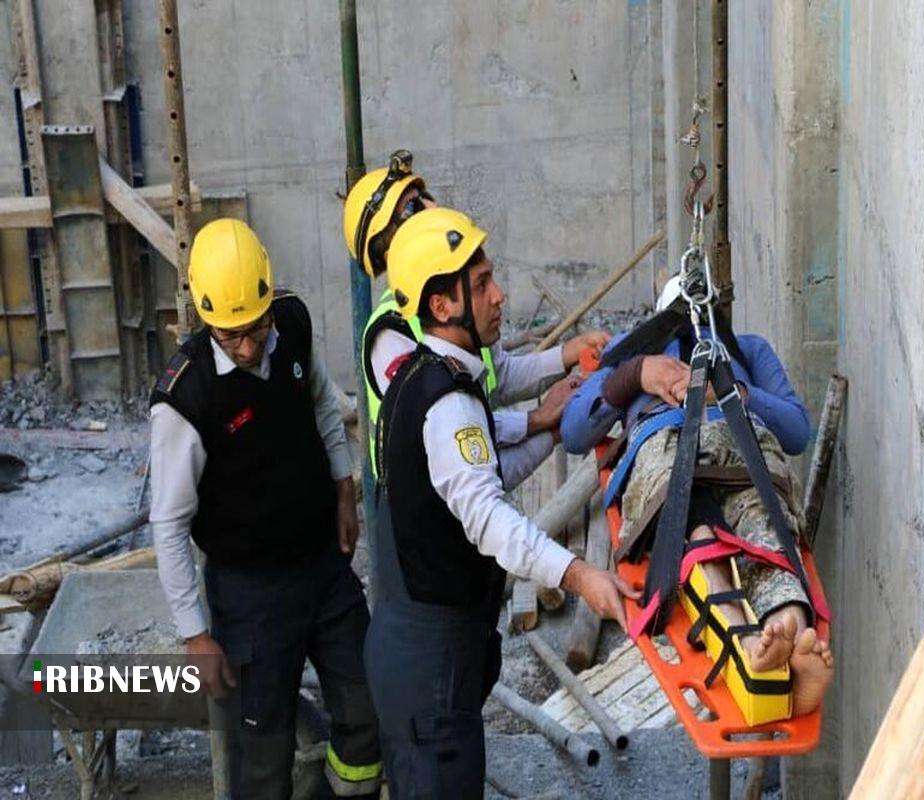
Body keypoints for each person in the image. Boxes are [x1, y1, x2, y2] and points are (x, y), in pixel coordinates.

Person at [364, 207, 635, 796]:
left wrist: (552, 427)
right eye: (482, 284)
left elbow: (483, 476)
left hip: (426, 647)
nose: (498, 295)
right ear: (442, 305)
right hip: (428, 663)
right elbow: (487, 518)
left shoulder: (432, 373)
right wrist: (579, 572)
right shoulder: (445, 402)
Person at [150, 219, 381, 798]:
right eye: (231, 337)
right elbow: (170, 525)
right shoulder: (186, 398)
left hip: (323, 569)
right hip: (250, 596)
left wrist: (343, 486)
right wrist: (194, 636)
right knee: (262, 751)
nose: (249, 347)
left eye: (256, 328)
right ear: (205, 319)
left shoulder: (294, 326)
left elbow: (326, 404)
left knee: (367, 708)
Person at [561, 276, 835, 716]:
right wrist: (638, 374)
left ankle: (770, 640)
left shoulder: (745, 349)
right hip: (689, 439)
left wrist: (730, 391)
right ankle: (784, 624)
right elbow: (575, 429)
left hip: (718, 439)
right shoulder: (641, 355)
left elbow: (797, 430)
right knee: (746, 526)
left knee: (715, 528)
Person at [341, 151, 607, 487]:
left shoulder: (453, 301)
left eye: (423, 195)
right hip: (419, 508)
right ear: (386, 244)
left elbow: (501, 374)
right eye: (411, 207)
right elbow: (459, 426)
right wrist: (536, 421)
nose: (429, 207)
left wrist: (567, 354)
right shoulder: (391, 331)